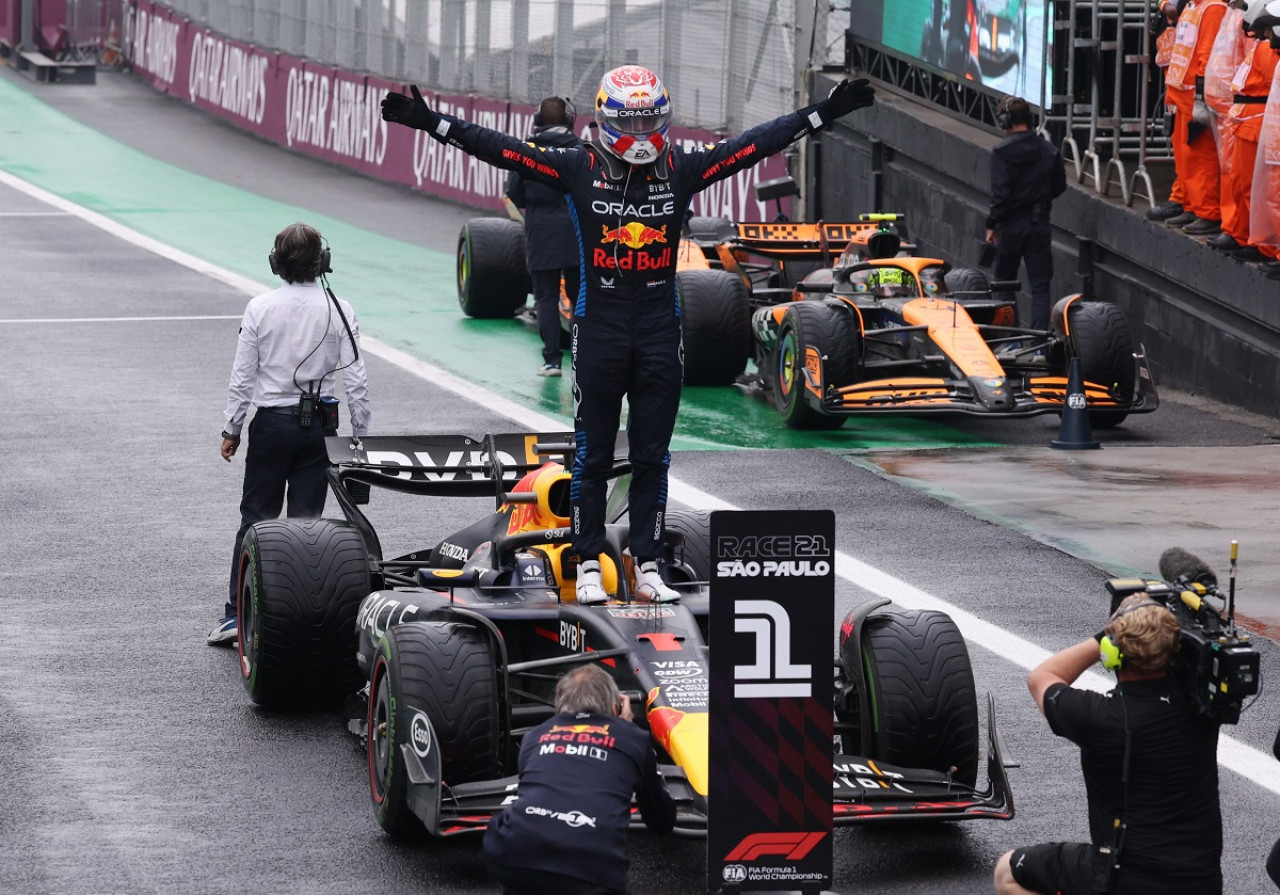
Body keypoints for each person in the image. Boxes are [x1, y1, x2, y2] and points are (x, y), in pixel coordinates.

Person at [381, 66, 874, 604]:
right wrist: (432, 122)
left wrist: (823, 111)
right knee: (591, 456)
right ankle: (588, 560)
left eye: (649, 121)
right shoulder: (577, 164)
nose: (641, 135)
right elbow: (500, 150)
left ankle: (647, 564)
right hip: (600, 332)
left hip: (662, 332)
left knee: (652, 457)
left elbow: (756, 144)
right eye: (629, 122)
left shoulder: (682, 167)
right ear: (605, 119)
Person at [993, 594, 1223, 895]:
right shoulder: (1205, 705)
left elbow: (1042, 677)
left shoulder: (1101, 717)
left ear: (1111, 653)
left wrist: (1108, 630)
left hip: (1126, 880)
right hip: (1202, 883)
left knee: (1007, 872)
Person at [210, 222, 371, 645]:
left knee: (255, 520)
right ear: (323, 262)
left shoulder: (260, 308)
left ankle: (235, 616)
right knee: (307, 526)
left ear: (276, 262)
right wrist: (360, 437)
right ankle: (302, 621)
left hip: (272, 426)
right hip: (322, 427)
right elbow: (357, 380)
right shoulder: (340, 308)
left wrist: (232, 427)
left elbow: (242, 378)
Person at [482, 664, 676, 895]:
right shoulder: (632, 737)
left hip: (508, 853)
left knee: (525, 874)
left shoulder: (535, 736)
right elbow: (661, 821)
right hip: (587, 868)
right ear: (617, 706)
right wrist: (626, 728)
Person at [505, 96, 583, 377]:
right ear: (569, 120)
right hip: (577, 231)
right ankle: (582, 357)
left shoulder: (528, 150)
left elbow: (515, 194)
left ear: (538, 120)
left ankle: (552, 360)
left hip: (541, 231)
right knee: (580, 297)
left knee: (546, 298)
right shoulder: (581, 149)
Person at [984, 96, 1067, 332]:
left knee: (1004, 284)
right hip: (1039, 224)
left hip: (1009, 226)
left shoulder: (1001, 153)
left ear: (1004, 121)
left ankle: (1010, 341)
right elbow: (1060, 186)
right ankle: (1039, 347)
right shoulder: (1050, 151)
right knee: (1040, 286)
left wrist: (992, 224)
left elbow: (1000, 195)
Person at [1160, 0, 1230, 235]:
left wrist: (1201, 97)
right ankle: (1191, 206)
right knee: (1185, 156)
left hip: (1192, 96)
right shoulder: (1193, 6)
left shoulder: (1212, 8)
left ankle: (1207, 212)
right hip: (1181, 93)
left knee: (1201, 156)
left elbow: (1207, 54)